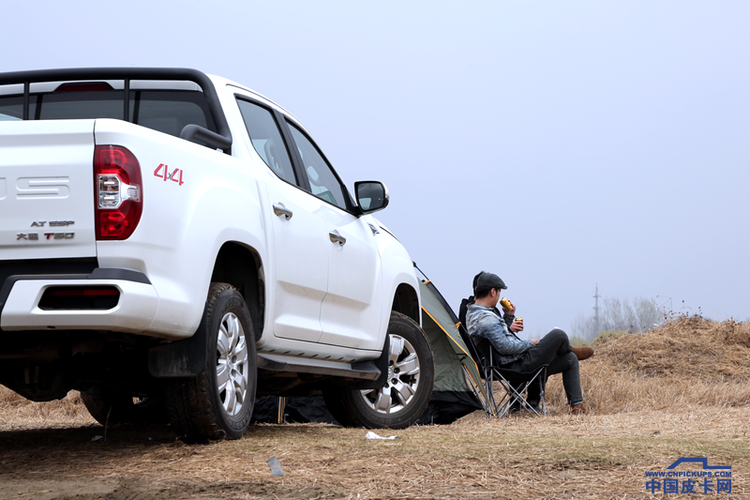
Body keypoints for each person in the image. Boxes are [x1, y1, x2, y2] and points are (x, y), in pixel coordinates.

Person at [464, 271, 593, 415]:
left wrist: (508, 317)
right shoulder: (485, 318)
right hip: (516, 366)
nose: (499, 296)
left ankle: (577, 408)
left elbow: (499, 339)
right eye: (499, 292)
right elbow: (505, 347)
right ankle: (567, 348)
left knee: (570, 359)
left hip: (511, 363)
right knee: (559, 335)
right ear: (493, 292)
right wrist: (530, 343)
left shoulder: (476, 314)